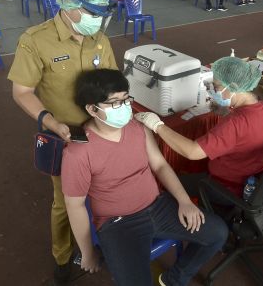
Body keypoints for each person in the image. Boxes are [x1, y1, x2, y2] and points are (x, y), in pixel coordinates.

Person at [62, 69, 228, 286]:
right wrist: (87, 252)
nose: (123, 108)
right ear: (92, 109)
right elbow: (74, 206)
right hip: (119, 224)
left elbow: (159, 165)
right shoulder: (78, 152)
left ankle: (174, 279)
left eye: (126, 99)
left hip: (157, 206)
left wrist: (184, 201)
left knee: (217, 233)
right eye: (115, 103)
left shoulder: (137, 127)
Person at [7, 0, 118, 285]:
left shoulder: (100, 39)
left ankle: (101, 242)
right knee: (64, 202)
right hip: (65, 137)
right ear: (70, 6)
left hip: (102, 132)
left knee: (104, 193)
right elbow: (22, 92)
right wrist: (52, 123)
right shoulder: (35, 40)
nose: (97, 22)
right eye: (92, 14)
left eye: (101, 15)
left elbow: (112, 83)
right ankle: (62, 255)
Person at [135, 56, 263, 202]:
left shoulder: (234, 124)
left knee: (169, 186)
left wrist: (157, 125)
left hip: (227, 187)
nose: (213, 90)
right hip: (255, 178)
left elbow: (192, 152)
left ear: (233, 86)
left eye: (216, 87)